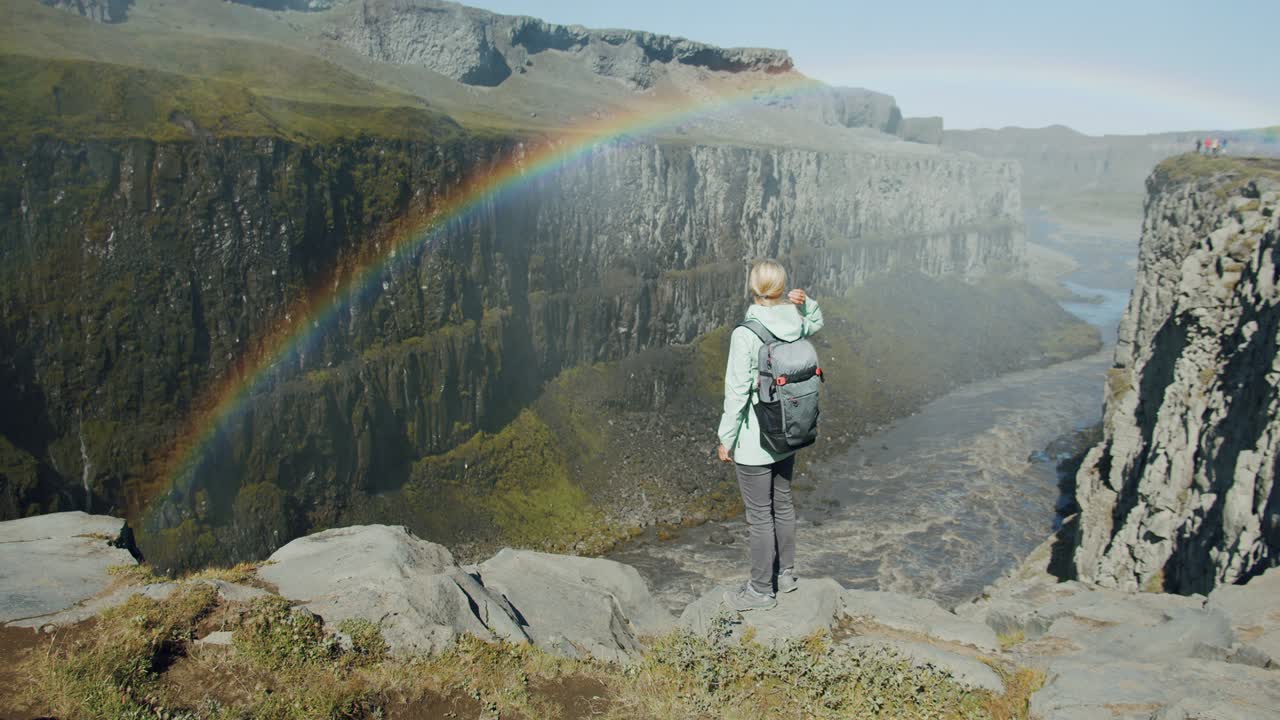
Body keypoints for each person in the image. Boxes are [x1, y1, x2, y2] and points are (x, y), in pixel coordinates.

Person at [716, 259, 824, 611]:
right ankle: (786, 575)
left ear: (753, 287)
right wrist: (806, 303)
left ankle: (761, 590)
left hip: (755, 440)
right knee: (784, 504)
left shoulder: (746, 333)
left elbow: (736, 392)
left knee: (759, 515)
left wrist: (726, 438)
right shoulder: (793, 320)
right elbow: (817, 323)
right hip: (788, 429)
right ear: (781, 287)